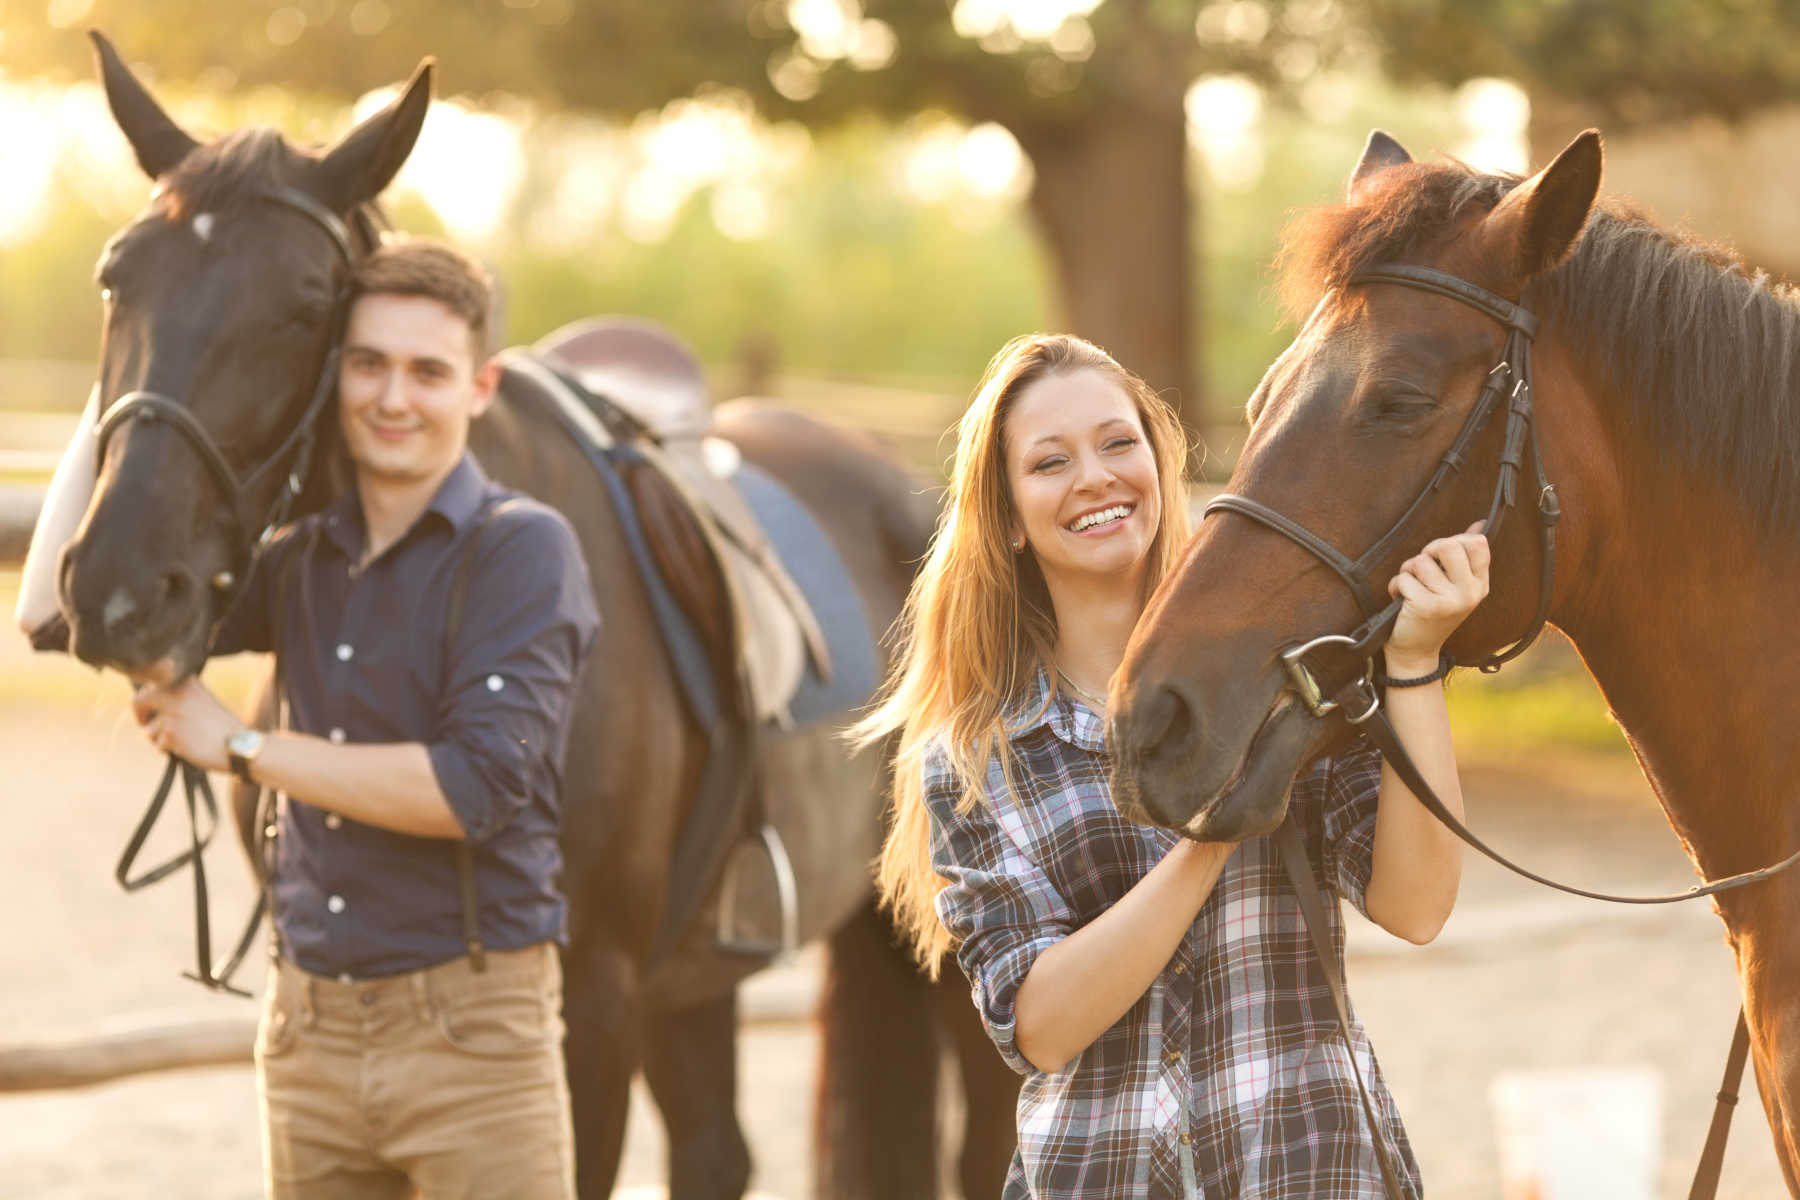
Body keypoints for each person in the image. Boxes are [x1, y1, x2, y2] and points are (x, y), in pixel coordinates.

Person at [856, 334, 1487, 1198]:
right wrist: (1215, 830)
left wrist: (1415, 665)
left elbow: (1415, 907)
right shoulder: (975, 758)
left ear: (1160, 462)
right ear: (1006, 515)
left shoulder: (1291, 665)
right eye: (1049, 463)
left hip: (1314, 1166)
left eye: (1120, 443)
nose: (1095, 477)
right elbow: (1041, 1025)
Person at [129, 238, 599, 1199]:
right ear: (335, 373)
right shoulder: (296, 557)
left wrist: (243, 744)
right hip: (304, 1035)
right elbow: (116, 603)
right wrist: (140, 408)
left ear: (480, 387)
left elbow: (477, 787)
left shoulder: (524, 551)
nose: (393, 398)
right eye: (369, 363)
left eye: (428, 371)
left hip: (473, 1043)